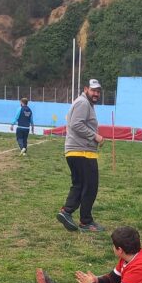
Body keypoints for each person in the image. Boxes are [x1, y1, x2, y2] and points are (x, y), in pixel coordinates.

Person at [57, 78, 105, 233]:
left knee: (80, 185)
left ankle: (67, 212)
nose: (96, 93)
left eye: (98, 91)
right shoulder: (83, 103)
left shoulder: (83, 103)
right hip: (82, 152)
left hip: (78, 151)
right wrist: (95, 136)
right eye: (93, 90)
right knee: (90, 187)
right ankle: (85, 221)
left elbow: (70, 120)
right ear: (86, 89)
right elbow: (76, 124)